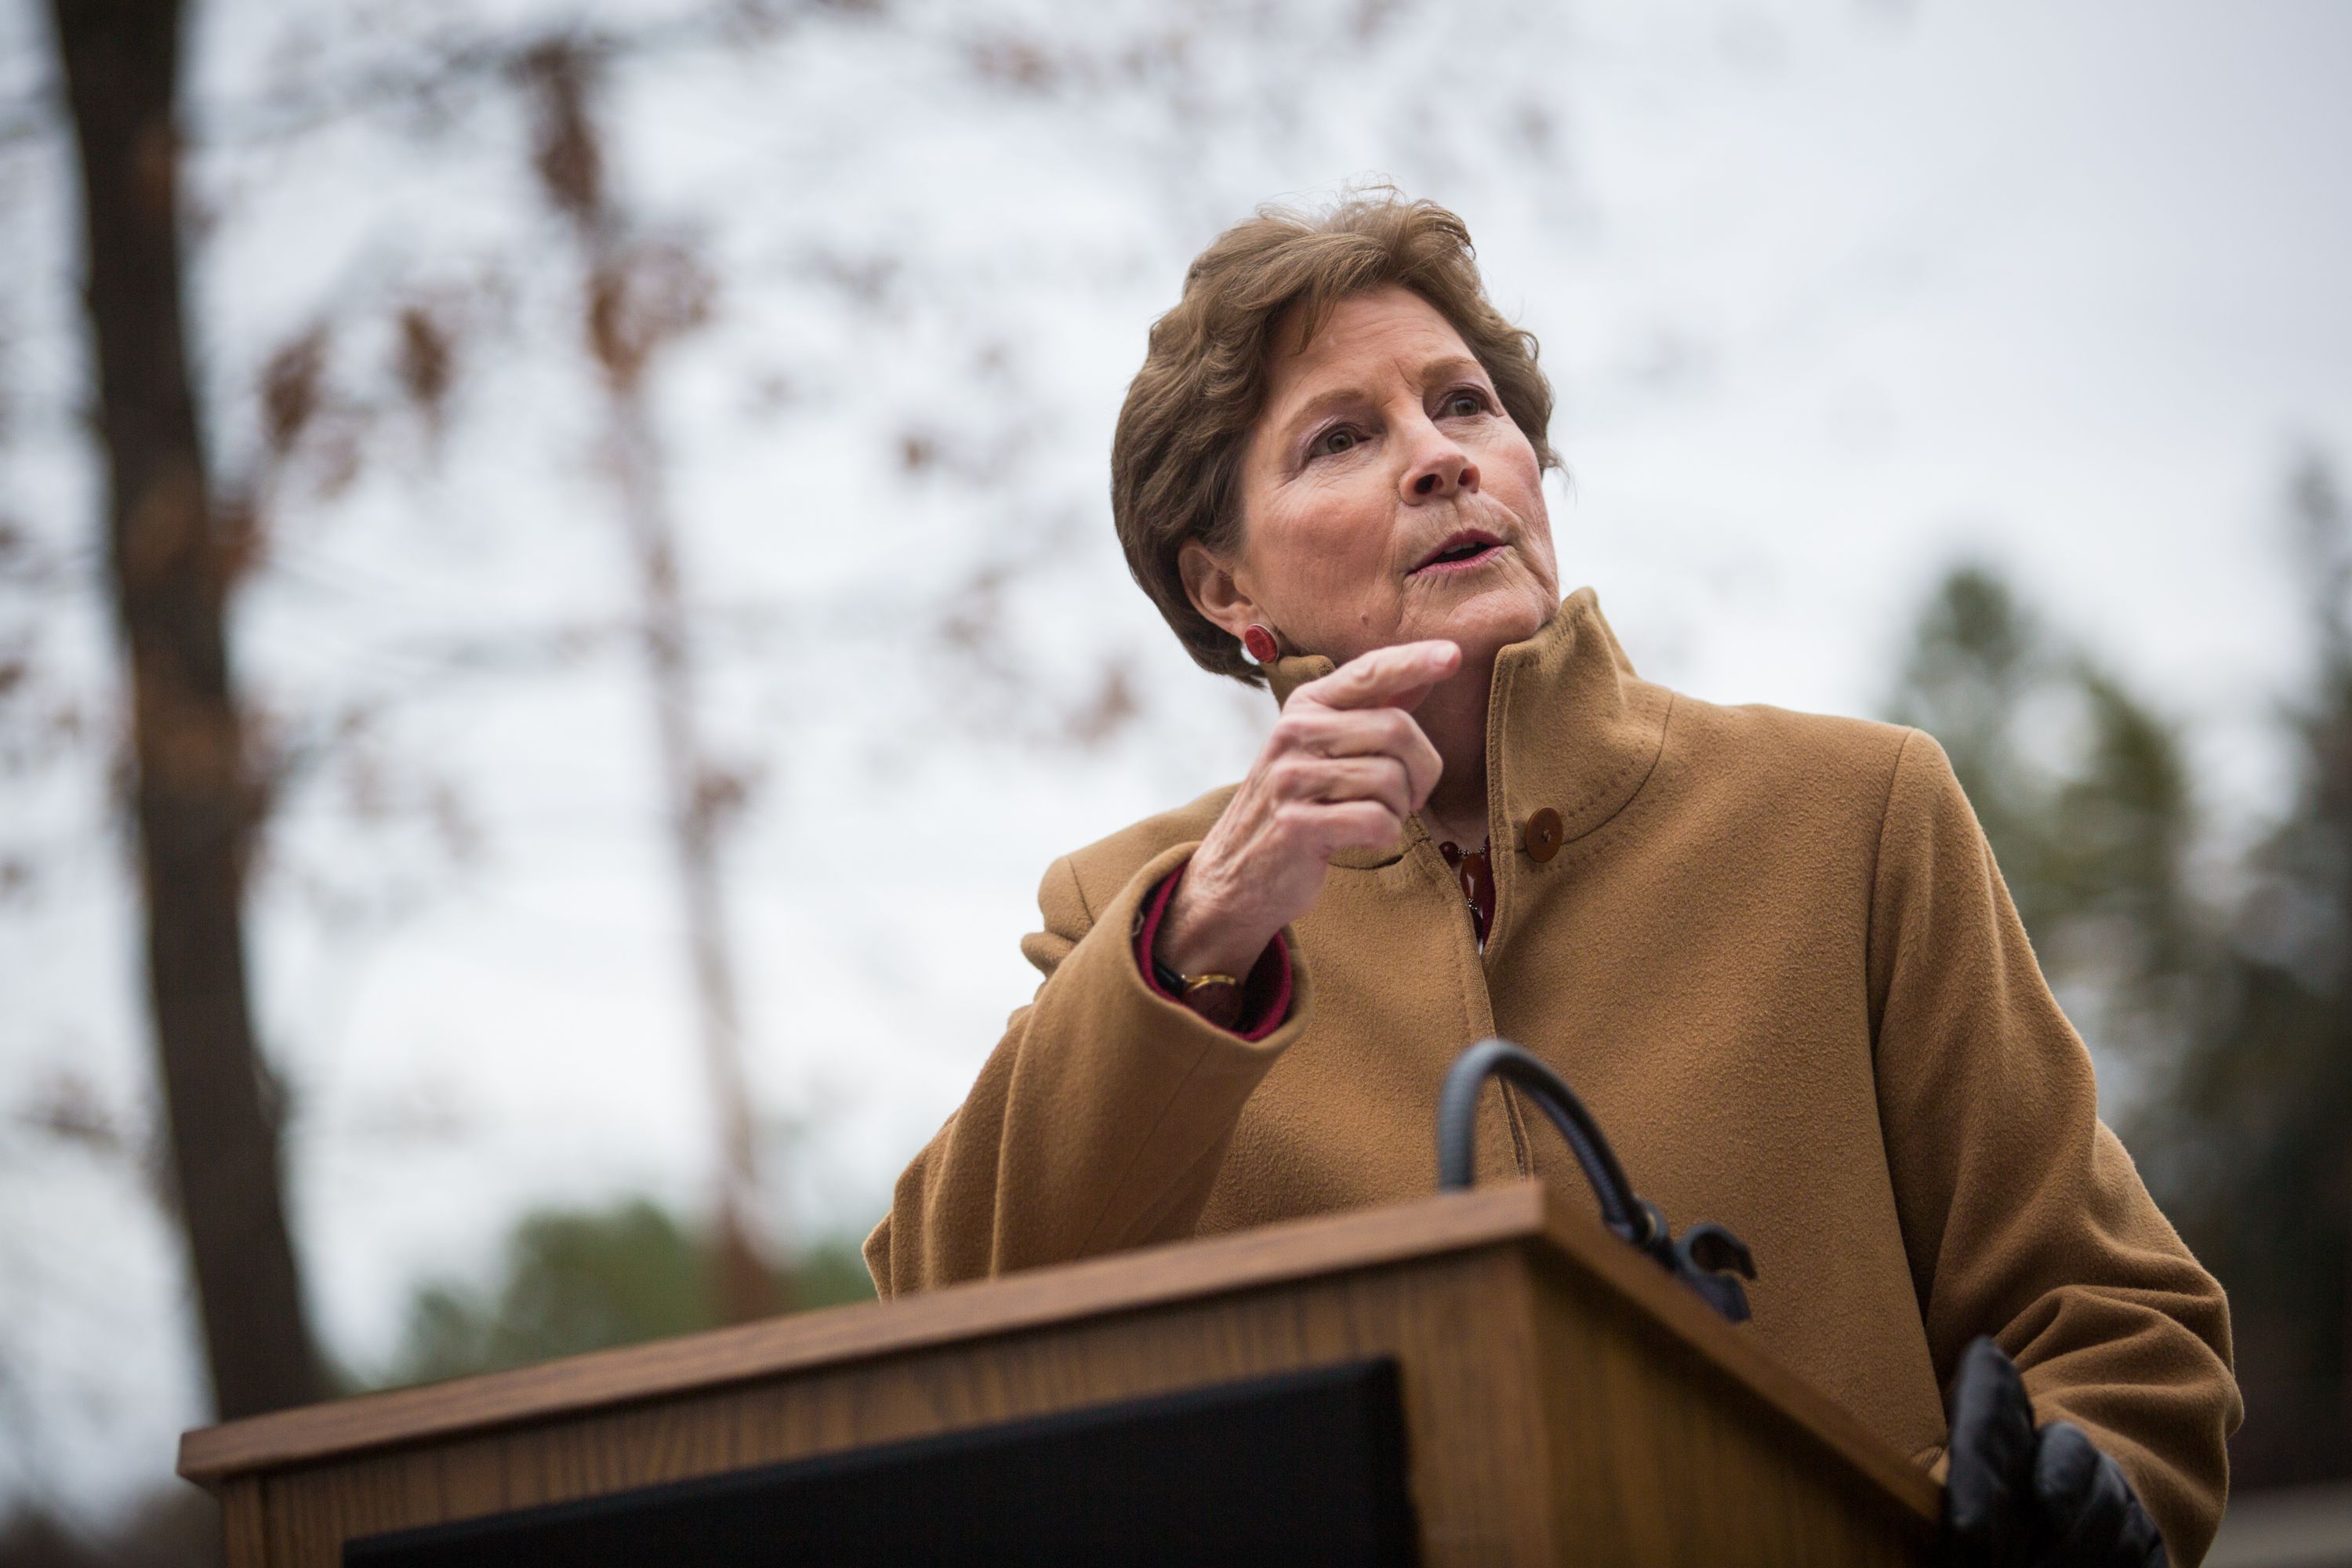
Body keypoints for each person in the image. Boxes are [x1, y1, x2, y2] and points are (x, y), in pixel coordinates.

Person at [862, 193, 2238, 1565]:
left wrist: (2085, 1495)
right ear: (1226, 588)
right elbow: (938, 1328)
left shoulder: (1857, 815)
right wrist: (1204, 930)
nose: (1437, 459)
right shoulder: (1135, 919)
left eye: (1464, 407)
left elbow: (2114, 1325)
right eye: (1340, 438)